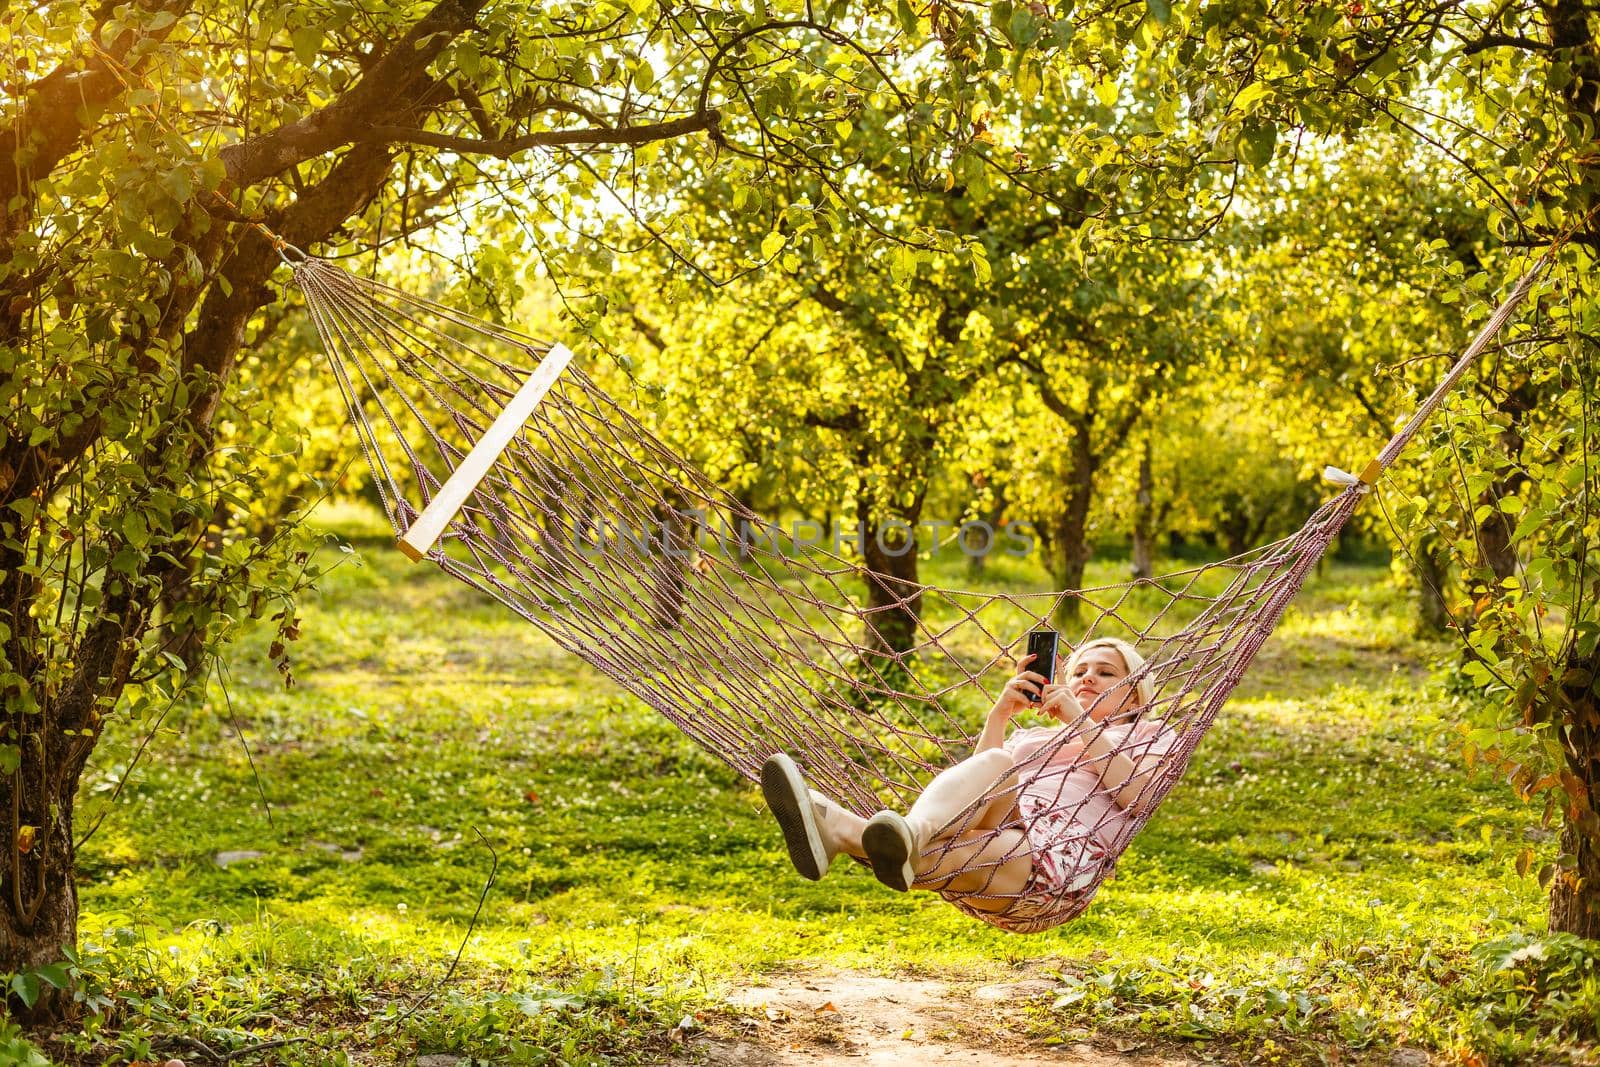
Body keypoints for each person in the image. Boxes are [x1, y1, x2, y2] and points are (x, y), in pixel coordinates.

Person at [760, 637, 1177, 933]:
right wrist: (999, 716)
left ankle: (841, 827)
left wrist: (1079, 722)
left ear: (1136, 696)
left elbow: (1140, 798)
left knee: (998, 802)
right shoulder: (1034, 736)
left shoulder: (1150, 735)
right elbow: (980, 781)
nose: (1087, 679)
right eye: (1079, 671)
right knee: (996, 761)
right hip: (1001, 830)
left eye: (1105, 673)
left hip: (1053, 867)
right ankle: (889, 835)